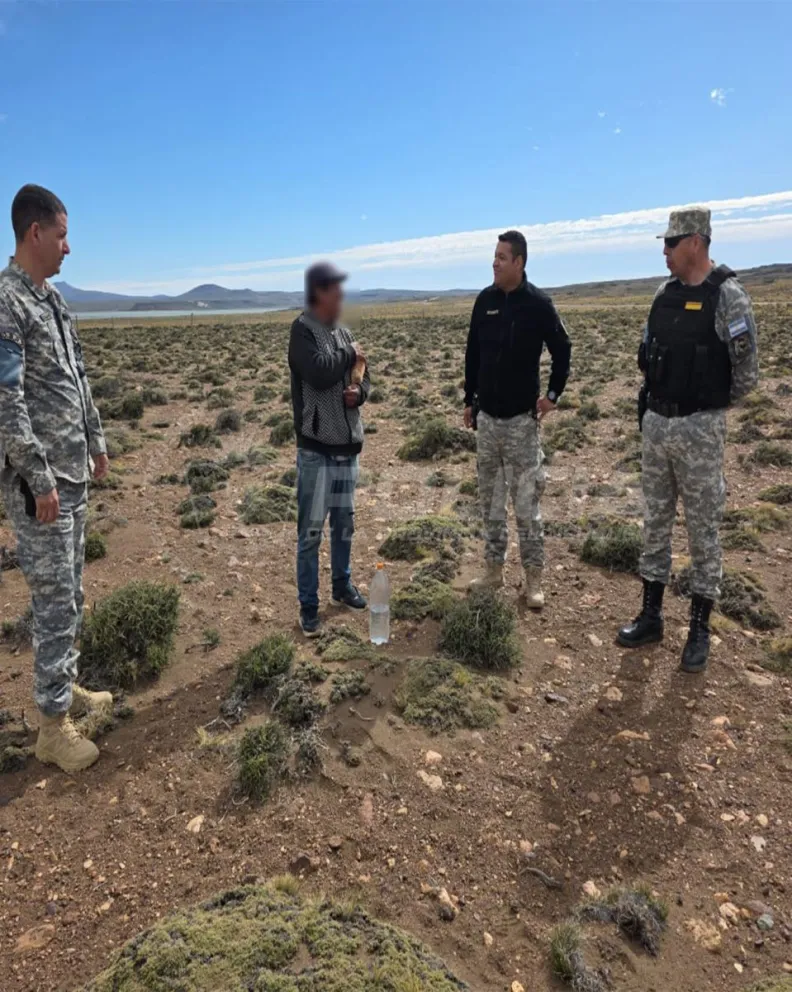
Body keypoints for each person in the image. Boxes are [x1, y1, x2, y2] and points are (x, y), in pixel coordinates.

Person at [0, 184, 113, 772]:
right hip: (40, 485)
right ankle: (52, 727)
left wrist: (96, 441)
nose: (69, 247)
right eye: (63, 235)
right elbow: (7, 402)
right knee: (52, 602)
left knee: (72, 592)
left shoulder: (53, 300)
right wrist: (38, 478)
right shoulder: (7, 303)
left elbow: (77, 377)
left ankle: (66, 688)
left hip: (72, 473)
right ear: (35, 232)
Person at [617, 207, 759, 673]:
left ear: (696, 242)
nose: (665, 251)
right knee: (655, 522)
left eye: (671, 243)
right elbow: (647, 352)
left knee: (703, 530)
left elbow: (746, 376)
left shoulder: (728, 297)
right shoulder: (664, 294)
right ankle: (651, 616)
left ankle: (699, 629)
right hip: (657, 426)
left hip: (700, 431)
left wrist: (705, 410)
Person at [463, 229, 572, 607]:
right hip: (488, 422)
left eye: (501, 257)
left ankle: (533, 578)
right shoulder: (485, 301)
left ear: (519, 262)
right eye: (494, 256)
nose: (494, 263)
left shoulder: (538, 304)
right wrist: (469, 400)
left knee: (526, 504)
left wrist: (552, 396)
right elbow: (473, 354)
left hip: (522, 424)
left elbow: (562, 349)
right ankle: (493, 571)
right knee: (491, 503)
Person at [288, 262, 371, 637]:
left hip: (346, 446)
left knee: (344, 524)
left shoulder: (344, 332)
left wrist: (359, 393)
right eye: (336, 291)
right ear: (319, 293)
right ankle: (309, 606)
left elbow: (364, 373)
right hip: (316, 450)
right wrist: (348, 354)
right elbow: (319, 372)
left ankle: (341, 586)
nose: (341, 298)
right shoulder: (302, 331)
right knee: (310, 532)